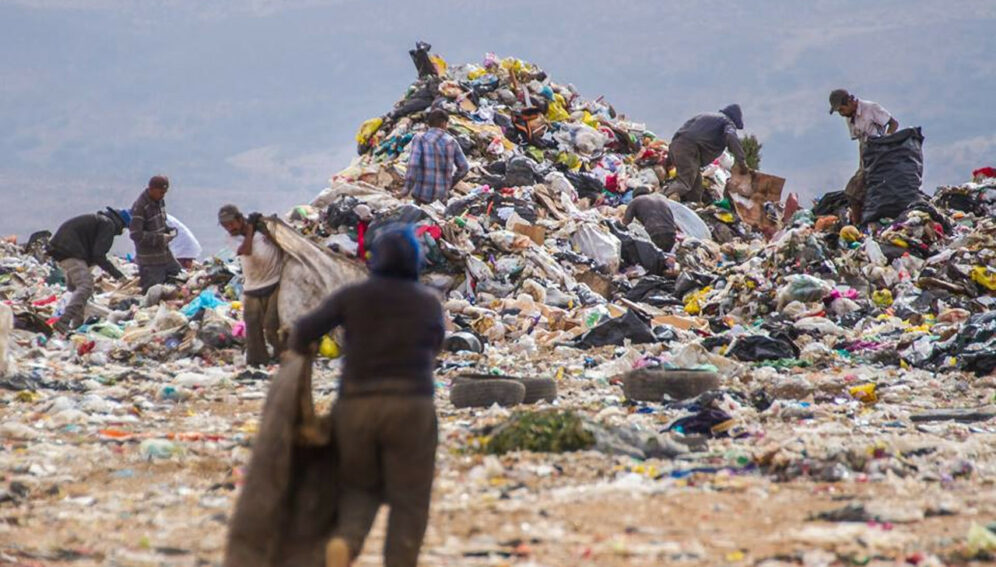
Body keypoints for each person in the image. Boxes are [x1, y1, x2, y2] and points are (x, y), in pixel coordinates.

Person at [289, 227, 444, 567]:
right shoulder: (428, 302)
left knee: (360, 487)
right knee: (410, 498)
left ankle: (346, 541)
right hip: (411, 404)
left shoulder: (353, 296)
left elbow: (301, 331)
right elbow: (435, 347)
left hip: (356, 405)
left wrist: (305, 351)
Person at [217, 205, 285, 367]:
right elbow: (246, 250)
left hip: (274, 283)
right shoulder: (232, 238)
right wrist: (251, 230)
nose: (229, 228)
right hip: (252, 288)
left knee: (271, 325)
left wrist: (265, 229)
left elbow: (281, 243)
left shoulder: (261, 230)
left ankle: (282, 355)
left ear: (241, 219)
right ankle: (258, 362)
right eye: (225, 225)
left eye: (232, 223)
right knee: (252, 326)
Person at [46, 208, 130, 333]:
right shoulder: (108, 224)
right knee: (85, 286)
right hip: (71, 252)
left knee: (78, 290)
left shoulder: (99, 221)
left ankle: (77, 325)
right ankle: (64, 321)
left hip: (61, 250)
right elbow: (98, 254)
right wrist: (118, 275)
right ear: (121, 223)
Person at [828, 89, 899, 224]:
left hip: (879, 153)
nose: (841, 114)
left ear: (849, 102)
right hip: (866, 156)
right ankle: (862, 224)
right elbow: (860, 141)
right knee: (859, 194)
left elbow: (894, 124)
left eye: (841, 110)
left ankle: (858, 225)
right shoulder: (850, 119)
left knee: (853, 192)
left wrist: (886, 140)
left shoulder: (870, 108)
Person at [666, 104, 749, 204]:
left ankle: (694, 206)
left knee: (696, 187)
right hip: (690, 150)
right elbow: (731, 135)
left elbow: (682, 132)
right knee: (684, 183)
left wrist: (669, 158)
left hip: (677, 146)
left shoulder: (704, 116)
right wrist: (741, 162)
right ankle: (660, 199)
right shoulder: (727, 122)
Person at [401, 108, 469, 204]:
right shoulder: (451, 142)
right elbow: (464, 168)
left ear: (429, 124)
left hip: (421, 195)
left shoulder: (420, 138)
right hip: (440, 199)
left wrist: (406, 188)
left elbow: (413, 165)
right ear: (443, 124)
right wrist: (449, 184)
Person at [130, 175, 181, 292]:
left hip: (165, 256)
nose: (163, 195)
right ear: (151, 189)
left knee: (178, 278)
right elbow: (135, 234)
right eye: (160, 192)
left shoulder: (159, 201)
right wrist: (160, 238)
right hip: (150, 261)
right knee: (153, 291)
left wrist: (168, 230)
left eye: (165, 192)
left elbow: (160, 223)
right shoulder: (140, 207)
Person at [623, 187, 678, 252]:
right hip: (671, 234)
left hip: (655, 233)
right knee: (664, 257)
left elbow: (625, 224)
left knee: (654, 257)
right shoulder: (661, 200)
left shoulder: (635, 201)